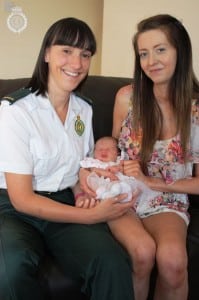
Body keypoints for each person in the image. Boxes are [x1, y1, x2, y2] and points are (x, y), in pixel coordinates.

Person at [0, 18, 135, 300]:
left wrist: (82, 191)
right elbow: (22, 199)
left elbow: (77, 169)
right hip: (14, 210)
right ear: (47, 53)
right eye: (67, 50)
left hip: (63, 199)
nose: (77, 63)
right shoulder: (15, 111)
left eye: (85, 54)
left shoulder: (84, 110)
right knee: (8, 270)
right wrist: (90, 216)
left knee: (110, 262)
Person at [111, 14, 199, 300]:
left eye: (161, 49)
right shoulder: (127, 98)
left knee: (173, 262)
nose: (151, 62)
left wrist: (155, 183)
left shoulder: (196, 110)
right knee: (142, 255)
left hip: (167, 199)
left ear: (180, 51)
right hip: (123, 194)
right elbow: (111, 151)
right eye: (143, 54)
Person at [79, 136, 160, 203]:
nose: (103, 151)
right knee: (93, 181)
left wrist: (119, 168)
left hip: (120, 183)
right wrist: (95, 170)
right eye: (99, 149)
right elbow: (85, 169)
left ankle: (124, 193)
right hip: (101, 185)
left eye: (109, 149)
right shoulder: (92, 162)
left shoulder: (120, 161)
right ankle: (105, 194)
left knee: (130, 183)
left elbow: (128, 169)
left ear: (117, 153)